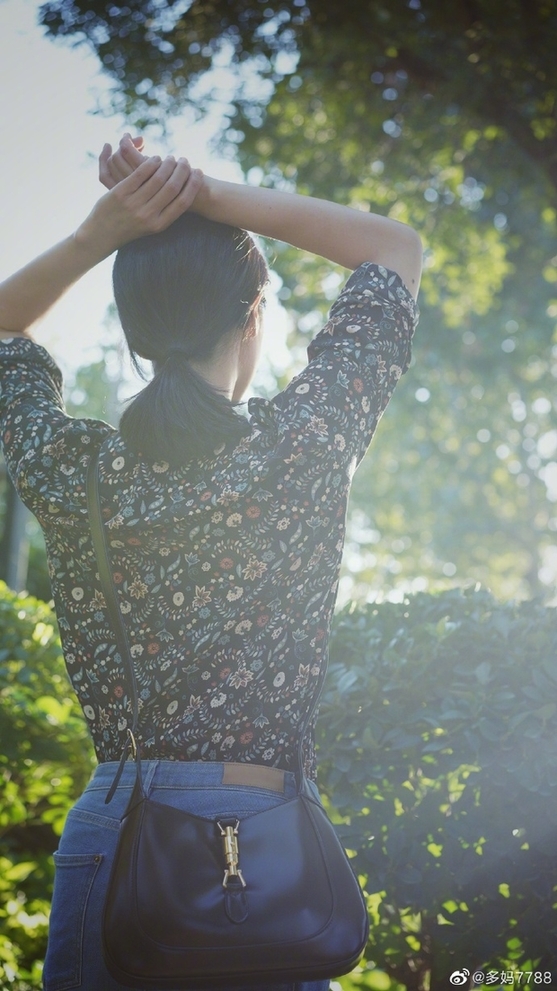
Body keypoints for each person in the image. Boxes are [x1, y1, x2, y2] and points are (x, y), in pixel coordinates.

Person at [0, 134, 422, 991]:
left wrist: (100, 233)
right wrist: (202, 193)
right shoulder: (303, 444)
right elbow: (393, 249)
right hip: (267, 843)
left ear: (135, 334)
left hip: (120, 834)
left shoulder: (80, 472)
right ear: (254, 314)